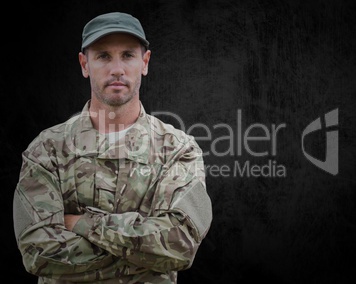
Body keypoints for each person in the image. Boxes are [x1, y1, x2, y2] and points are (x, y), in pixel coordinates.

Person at [13, 11, 213, 284]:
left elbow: (180, 246)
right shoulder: (46, 150)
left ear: (145, 62)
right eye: (104, 56)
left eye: (128, 55)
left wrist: (79, 223)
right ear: (85, 65)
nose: (117, 68)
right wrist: (143, 255)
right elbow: (37, 253)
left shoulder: (179, 150)